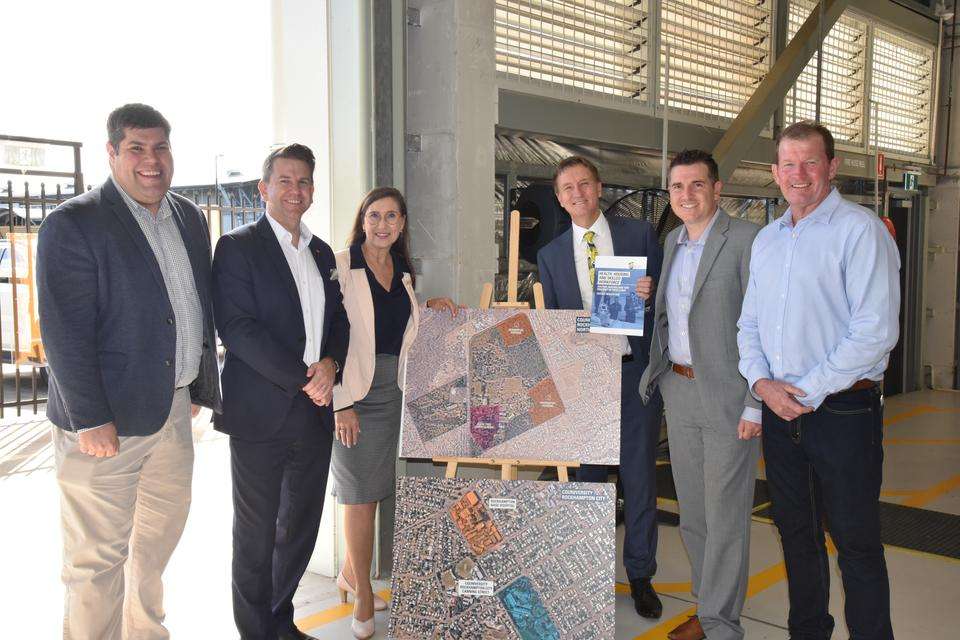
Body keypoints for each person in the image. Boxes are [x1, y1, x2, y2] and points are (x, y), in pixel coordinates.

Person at [36, 103, 222, 639]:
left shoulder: (188, 217)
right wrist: (89, 417)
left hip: (171, 410)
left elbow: (192, 306)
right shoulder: (73, 224)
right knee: (96, 561)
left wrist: (192, 385)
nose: (151, 160)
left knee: (154, 547)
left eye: (160, 147)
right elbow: (64, 331)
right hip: (105, 425)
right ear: (112, 153)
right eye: (136, 148)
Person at [738, 122, 900, 640]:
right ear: (774, 173)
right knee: (796, 536)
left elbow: (875, 332)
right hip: (780, 409)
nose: (798, 174)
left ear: (831, 167)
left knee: (855, 542)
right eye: (788, 164)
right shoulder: (767, 240)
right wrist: (763, 385)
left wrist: (803, 391)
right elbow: (749, 326)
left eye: (810, 162)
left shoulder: (860, 231)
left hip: (843, 412)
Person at [212, 143, 349, 640]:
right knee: (256, 534)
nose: (296, 191)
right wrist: (305, 377)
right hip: (262, 414)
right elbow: (239, 328)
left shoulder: (320, 252)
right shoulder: (238, 246)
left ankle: (279, 623)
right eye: (285, 181)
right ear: (263, 188)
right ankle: (255, 632)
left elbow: (339, 322)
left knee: (298, 529)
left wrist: (332, 363)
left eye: (304, 182)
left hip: (314, 414)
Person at [639, 150, 760, 640]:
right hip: (679, 389)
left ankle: (721, 625)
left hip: (730, 395)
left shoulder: (748, 240)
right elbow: (674, 316)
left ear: (717, 188)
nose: (686, 195)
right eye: (677, 187)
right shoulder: (672, 242)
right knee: (693, 513)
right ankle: (708, 608)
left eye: (696, 185)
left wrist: (756, 400)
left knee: (726, 515)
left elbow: (760, 326)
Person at [537, 155, 664, 619]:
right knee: (588, 480)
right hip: (586, 380)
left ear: (600, 187)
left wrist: (650, 295)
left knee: (638, 479)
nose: (577, 194)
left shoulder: (639, 235)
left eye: (584, 184)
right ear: (559, 197)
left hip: (633, 375)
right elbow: (554, 323)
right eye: (567, 188)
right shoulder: (550, 256)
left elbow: (666, 301)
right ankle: (588, 573)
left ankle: (641, 575)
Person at [331, 186, 459, 639]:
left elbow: (397, 327)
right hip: (353, 392)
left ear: (402, 223)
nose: (382, 225)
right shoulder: (342, 266)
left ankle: (351, 573)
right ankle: (362, 592)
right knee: (359, 495)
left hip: (393, 391)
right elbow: (332, 335)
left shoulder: (403, 270)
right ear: (362, 219)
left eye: (391, 217)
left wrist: (431, 310)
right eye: (374, 216)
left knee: (376, 489)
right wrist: (341, 402)